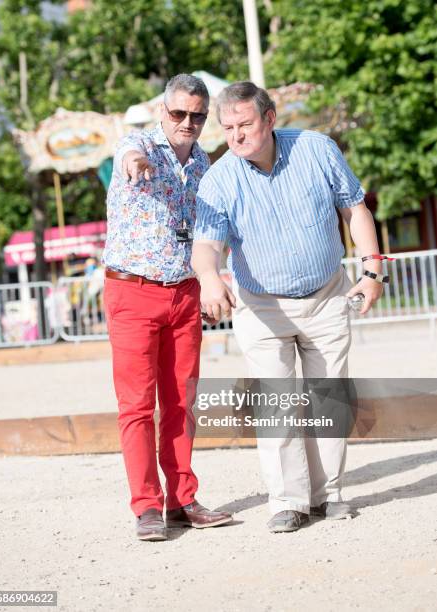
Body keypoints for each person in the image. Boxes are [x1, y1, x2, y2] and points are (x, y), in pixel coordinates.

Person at [191, 81, 385, 533]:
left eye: (245, 124)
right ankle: (288, 500)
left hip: (326, 296)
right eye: (227, 128)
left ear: (270, 118)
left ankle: (328, 494)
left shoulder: (317, 150)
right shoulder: (219, 179)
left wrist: (373, 271)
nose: (235, 136)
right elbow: (206, 246)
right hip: (261, 309)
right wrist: (208, 280)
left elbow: (355, 210)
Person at [103, 74, 232, 541]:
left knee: (182, 401)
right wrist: (135, 161)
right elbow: (127, 152)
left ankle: (181, 499)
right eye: (178, 113)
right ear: (163, 110)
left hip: (184, 293)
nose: (187, 122)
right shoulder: (139, 145)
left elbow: (213, 229)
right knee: (137, 405)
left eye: (197, 115)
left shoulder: (204, 165)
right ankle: (146, 507)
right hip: (133, 291)